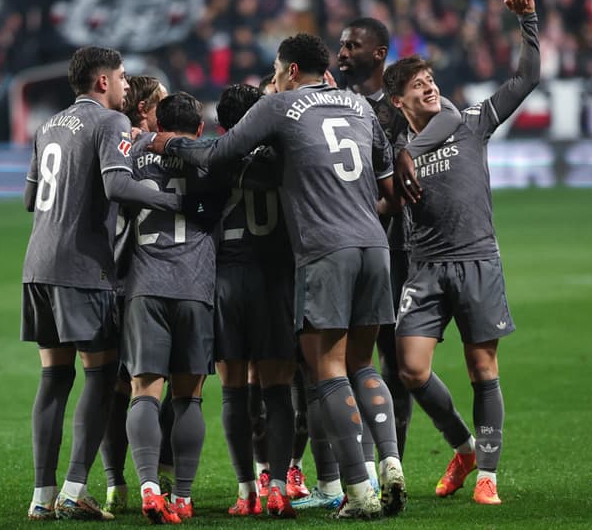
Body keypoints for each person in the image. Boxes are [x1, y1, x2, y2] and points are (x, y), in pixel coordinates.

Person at [149, 33, 403, 519]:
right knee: (364, 364)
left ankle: (360, 490)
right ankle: (389, 462)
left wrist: (173, 143)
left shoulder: (281, 107)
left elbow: (220, 154)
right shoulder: (359, 107)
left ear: (288, 70)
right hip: (375, 244)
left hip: (325, 250)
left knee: (326, 369)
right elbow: (387, 185)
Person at [383, 0, 540, 506]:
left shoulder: (473, 122)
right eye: (415, 85)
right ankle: (464, 448)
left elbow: (527, 80)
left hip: (476, 262)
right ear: (398, 102)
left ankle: (489, 475)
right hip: (424, 268)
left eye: (429, 80)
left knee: (482, 368)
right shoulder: (391, 149)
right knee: (411, 369)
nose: (427, 87)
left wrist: (528, 22)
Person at [21, 46, 184, 521]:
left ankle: (42, 497)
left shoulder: (47, 125)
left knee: (53, 378)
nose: (128, 86)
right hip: (80, 267)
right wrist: (170, 202)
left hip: (36, 265)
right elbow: (116, 186)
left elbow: (31, 197)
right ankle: (75, 490)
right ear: (102, 83)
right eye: (122, 77)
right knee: (100, 373)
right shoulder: (110, 123)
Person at [338, 17, 462, 462]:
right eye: (341, 45)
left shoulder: (399, 112)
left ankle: (391, 464)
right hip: (344, 246)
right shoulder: (333, 103)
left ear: (377, 53)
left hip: (395, 249)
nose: (342, 52)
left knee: (393, 362)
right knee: (339, 359)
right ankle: (349, 471)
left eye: (352, 45)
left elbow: (450, 116)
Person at [122, 92, 227, 524]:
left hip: (144, 286)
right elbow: (210, 211)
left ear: (156, 122)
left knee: (144, 391)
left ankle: (148, 487)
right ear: (199, 129)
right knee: (189, 397)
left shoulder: (133, 157)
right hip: (194, 287)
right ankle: (181, 497)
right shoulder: (210, 160)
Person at [212, 83, 298, 518]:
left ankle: (246, 491)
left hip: (226, 281)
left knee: (232, 393)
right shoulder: (285, 158)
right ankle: (279, 486)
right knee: (279, 391)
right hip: (274, 280)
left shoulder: (214, 160)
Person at [100, 74, 173, 514]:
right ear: (145, 109)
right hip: (151, 281)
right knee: (155, 383)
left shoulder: (115, 152)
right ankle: (162, 476)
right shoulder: (160, 151)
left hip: (115, 280)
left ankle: (116, 484)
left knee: (118, 386)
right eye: (161, 102)